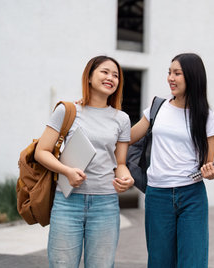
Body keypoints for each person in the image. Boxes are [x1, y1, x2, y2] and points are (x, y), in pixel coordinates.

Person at [35, 55, 134, 268]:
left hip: (105, 204)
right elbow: (41, 152)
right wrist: (67, 171)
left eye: (115, 75)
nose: (111, 78)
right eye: (105, 72)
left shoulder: (122, 119)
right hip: (68, 202)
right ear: (89, 77)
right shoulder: (67, 110)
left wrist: (126, 179)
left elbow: (121, 163)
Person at [130, 53, 214, 268]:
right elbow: (126, 137)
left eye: (177, 73)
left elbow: (207, 165)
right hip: (157, 195)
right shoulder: (157, 108)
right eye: (169, 72)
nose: (170, 78)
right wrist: (94, 107)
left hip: (192, 196)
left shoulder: (207, 117)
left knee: (192, 262)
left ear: (192, 77)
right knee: (159, 262)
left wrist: (212, 171)